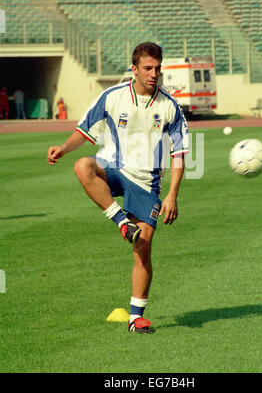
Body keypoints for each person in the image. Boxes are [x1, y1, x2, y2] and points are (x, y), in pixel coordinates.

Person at [47, 42, 189, 334]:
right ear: (134, 69)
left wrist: (172, 195)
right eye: (148, 68)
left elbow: (180, 153)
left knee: (143, 247)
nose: (154, 74)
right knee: (82, 166)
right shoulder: (112, 96)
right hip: (113, 167)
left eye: (158, 69)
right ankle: (121, 222)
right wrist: (63, 147)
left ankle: (136, 317)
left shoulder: (169, 106)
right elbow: (84, 131)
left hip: (146, 181)